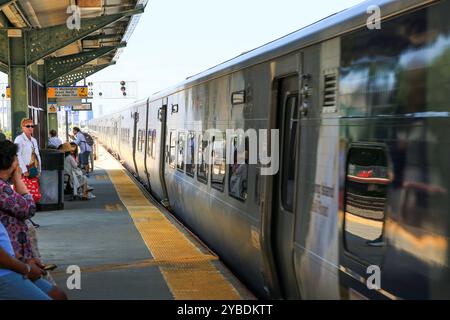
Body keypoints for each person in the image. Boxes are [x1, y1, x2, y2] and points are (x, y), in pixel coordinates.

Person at [0, 140, 67, 300]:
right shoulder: (2, 189)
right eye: (16, 157)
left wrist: (24, 260)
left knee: (57, 294)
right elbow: (28, 208)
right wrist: (26, 268)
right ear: (11, 161)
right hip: (7, 270)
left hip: (14, 260)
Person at [14, 119, 41, 228]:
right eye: (27, 126)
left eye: (32, 126)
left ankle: (26, 218)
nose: (30, 128)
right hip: (24, 172)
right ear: (23, 128)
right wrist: (24, 170)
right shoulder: (19, 139)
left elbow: (37, 154)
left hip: (32, 170)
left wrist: (39, 168)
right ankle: (25, 219)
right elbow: (18, 155)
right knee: (26, 195)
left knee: (35, 195)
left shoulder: (33, 140)